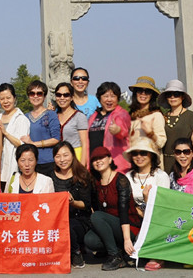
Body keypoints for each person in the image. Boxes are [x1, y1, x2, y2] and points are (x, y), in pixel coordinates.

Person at [84, 146, 139, 271]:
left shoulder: (121, 180)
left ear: (110, 160)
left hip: (128, 226)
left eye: (102, 157)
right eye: (95, 159)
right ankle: (119, 251)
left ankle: (114, 255)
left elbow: (124, 212)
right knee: (89, 240)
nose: (98, 161)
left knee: (96, 216)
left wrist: (127, 240)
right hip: (109, 226)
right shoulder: (96, 182)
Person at [124, 138, 169, 271]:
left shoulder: (161, 176)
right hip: (133, 218)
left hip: (156, 219)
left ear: (152, 156)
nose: (139, 157)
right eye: (135, 153)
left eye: (143, 153)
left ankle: (157, 256)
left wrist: (146, 201)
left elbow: (163, 207)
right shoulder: (128, 176)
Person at [50, 141, 91, 269]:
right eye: (58, 156)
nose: (62, 160)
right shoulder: (50, 176)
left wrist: (72, 202)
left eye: (65, 155)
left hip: (78, 219)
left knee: (67, 224)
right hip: (55, 218)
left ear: (73, 155)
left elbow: (86, 205)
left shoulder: (82, 175)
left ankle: (76, 251)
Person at [87, 81, 130, 173]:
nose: (109, 100)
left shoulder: (121, 114)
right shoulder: (93, 116)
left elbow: (123, 129)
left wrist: (118, 130)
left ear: (118, 99)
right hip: (95, 165)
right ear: (99, 98)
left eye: (113, 96)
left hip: (115, 167)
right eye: (106, 96)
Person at [159, 80, 193, 173]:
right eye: (169, 94)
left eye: (176, 94)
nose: (172, 97)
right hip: (166, 163)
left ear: (182, 97)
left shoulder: (190, 116)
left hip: (185, 162)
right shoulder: (163, 116)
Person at [22, 79, 61, 175]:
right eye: (32, 93)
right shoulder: (24, 117)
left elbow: (56, 139)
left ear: (44, 96)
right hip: (30, 164)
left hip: (48, 162)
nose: (35, 96)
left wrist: (34, 144)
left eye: (39, 93)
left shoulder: (51, 115)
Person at [0, 83, 31, 186]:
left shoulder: (21, 119)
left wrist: (5, 133)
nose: (5, 101)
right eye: (2, 99)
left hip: (14, 165)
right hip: (0, 166)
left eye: (8, 98)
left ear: (14, 98)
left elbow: (22, 144)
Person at [54, 82, 89, 166]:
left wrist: (82, 165)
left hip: (76, 159)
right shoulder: (53, 116)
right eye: (59, 95)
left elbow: (85, 143)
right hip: (59, 161)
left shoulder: (79, 116)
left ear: (72, 97)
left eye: (66, 95)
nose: (62, 98)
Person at [127, 76, 166, 152]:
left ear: (152, 95)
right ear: (135, 93)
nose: (143, 94)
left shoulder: (156, 115)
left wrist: (150, 134)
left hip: (151, 161)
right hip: (133, 159)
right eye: (139, 90)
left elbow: (161, 143)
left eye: (147, 91)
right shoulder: (131, 115)